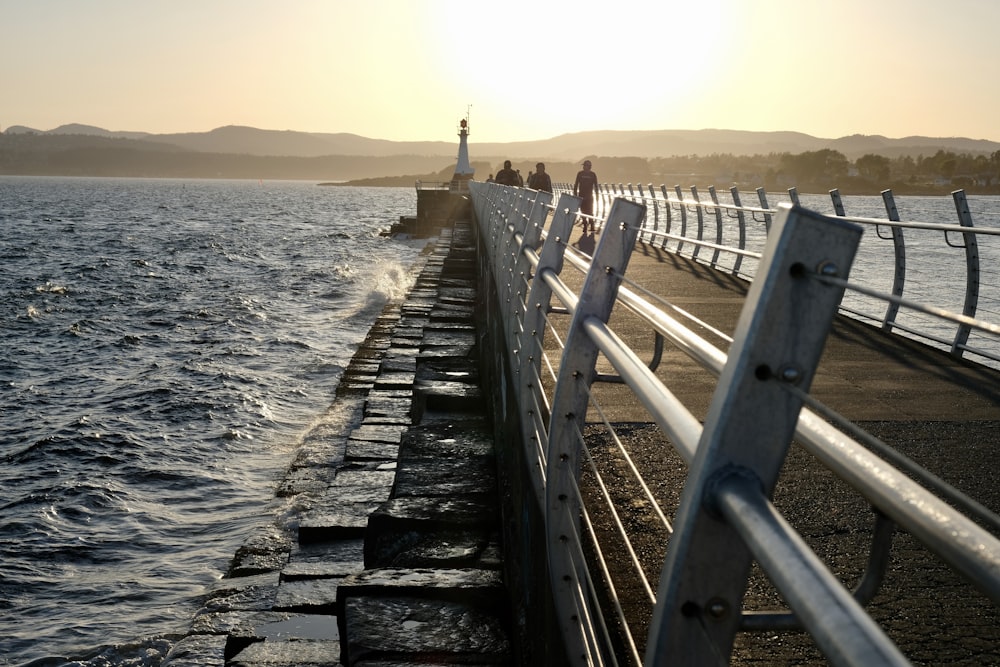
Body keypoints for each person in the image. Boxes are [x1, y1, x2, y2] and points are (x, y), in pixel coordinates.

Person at [573, 159, 599, 232]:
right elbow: (576, 185)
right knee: (583, 211)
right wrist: (575, 195)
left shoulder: (593, 174)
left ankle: (592, 225)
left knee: (590, 211)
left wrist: (597, 195)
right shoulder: (580, 174)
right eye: (584, 165)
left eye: (585, 165)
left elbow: (596, 186)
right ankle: (585, 224)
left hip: (589, 197)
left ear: (589, 167)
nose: (584, 167)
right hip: (581, 196)